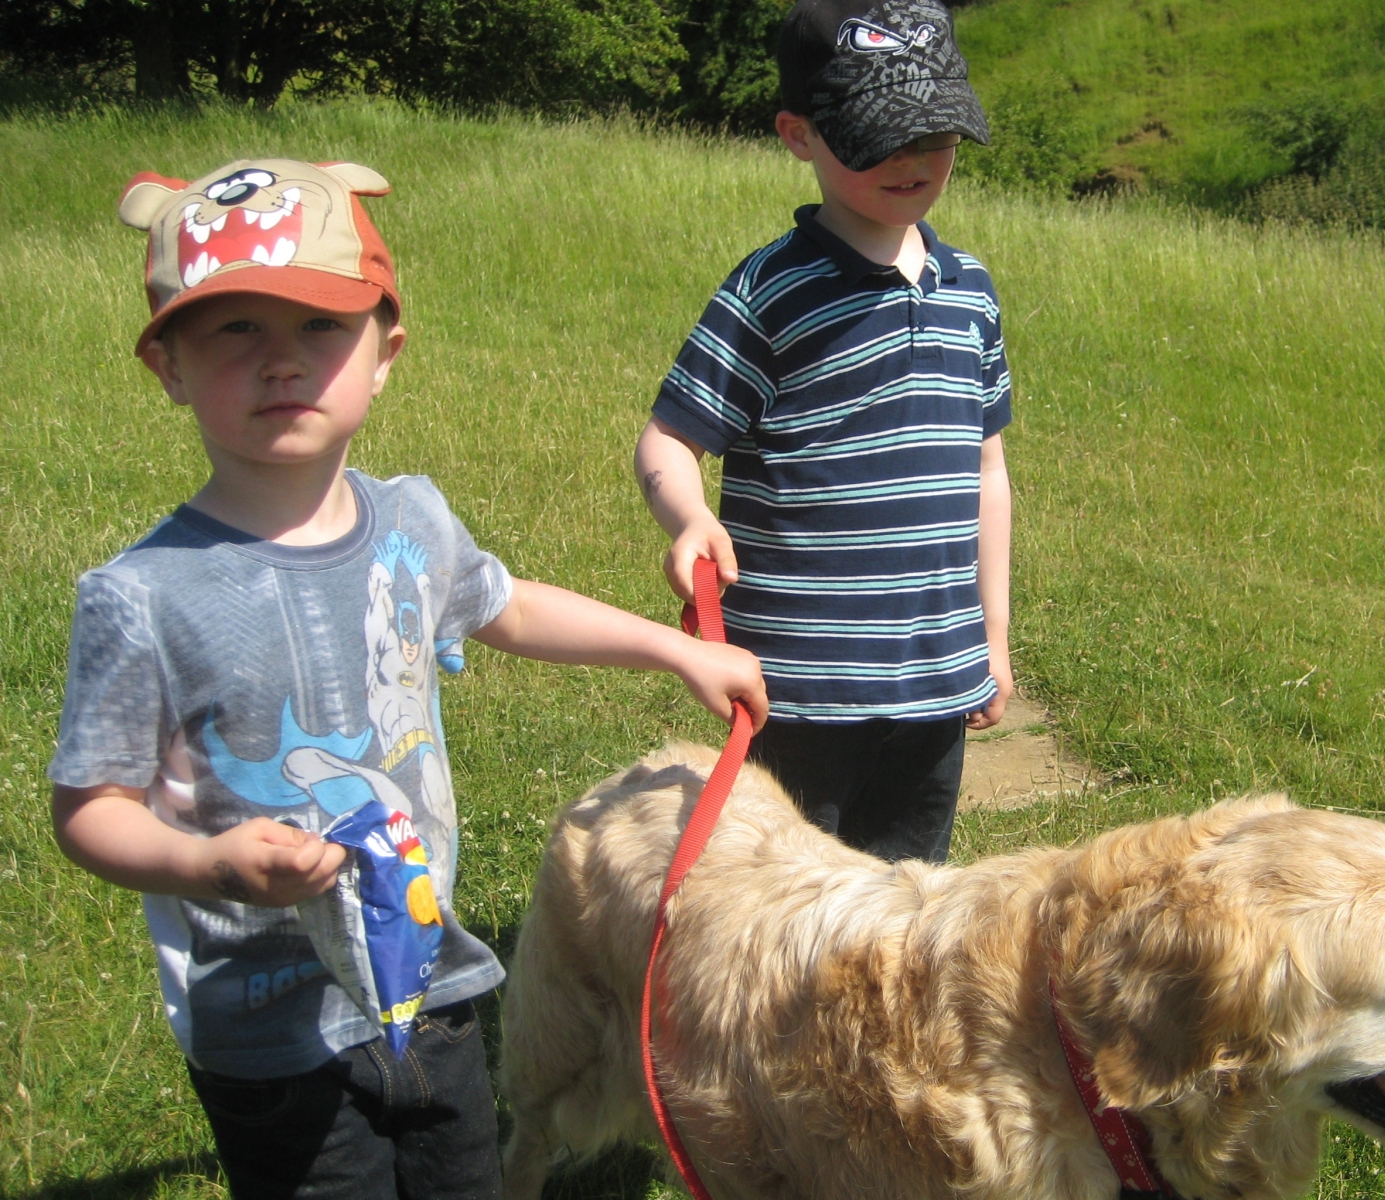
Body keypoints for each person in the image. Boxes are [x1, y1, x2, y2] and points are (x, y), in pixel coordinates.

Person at [47, 158, 767, 1200]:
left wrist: (680, 649)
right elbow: (89, 810)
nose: (280, 361)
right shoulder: (142, 596)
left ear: (384, 353)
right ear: (168, 364)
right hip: (270, 1032)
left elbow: (509, 607)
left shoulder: (412, 522)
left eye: (320, 326)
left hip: (433, 978)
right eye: (235, 329)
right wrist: (209, 864)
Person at [636, 0, 1012, 865]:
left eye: (934, 134)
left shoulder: (970, 291)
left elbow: (986, 471)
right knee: (782, 897)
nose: (910, 160)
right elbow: (667, 440)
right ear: (798, 136)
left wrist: (991, 639)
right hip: (799, 686)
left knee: (905, 904)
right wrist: (689, 519)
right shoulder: (771, 293)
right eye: (877, 138)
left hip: (934, 681)